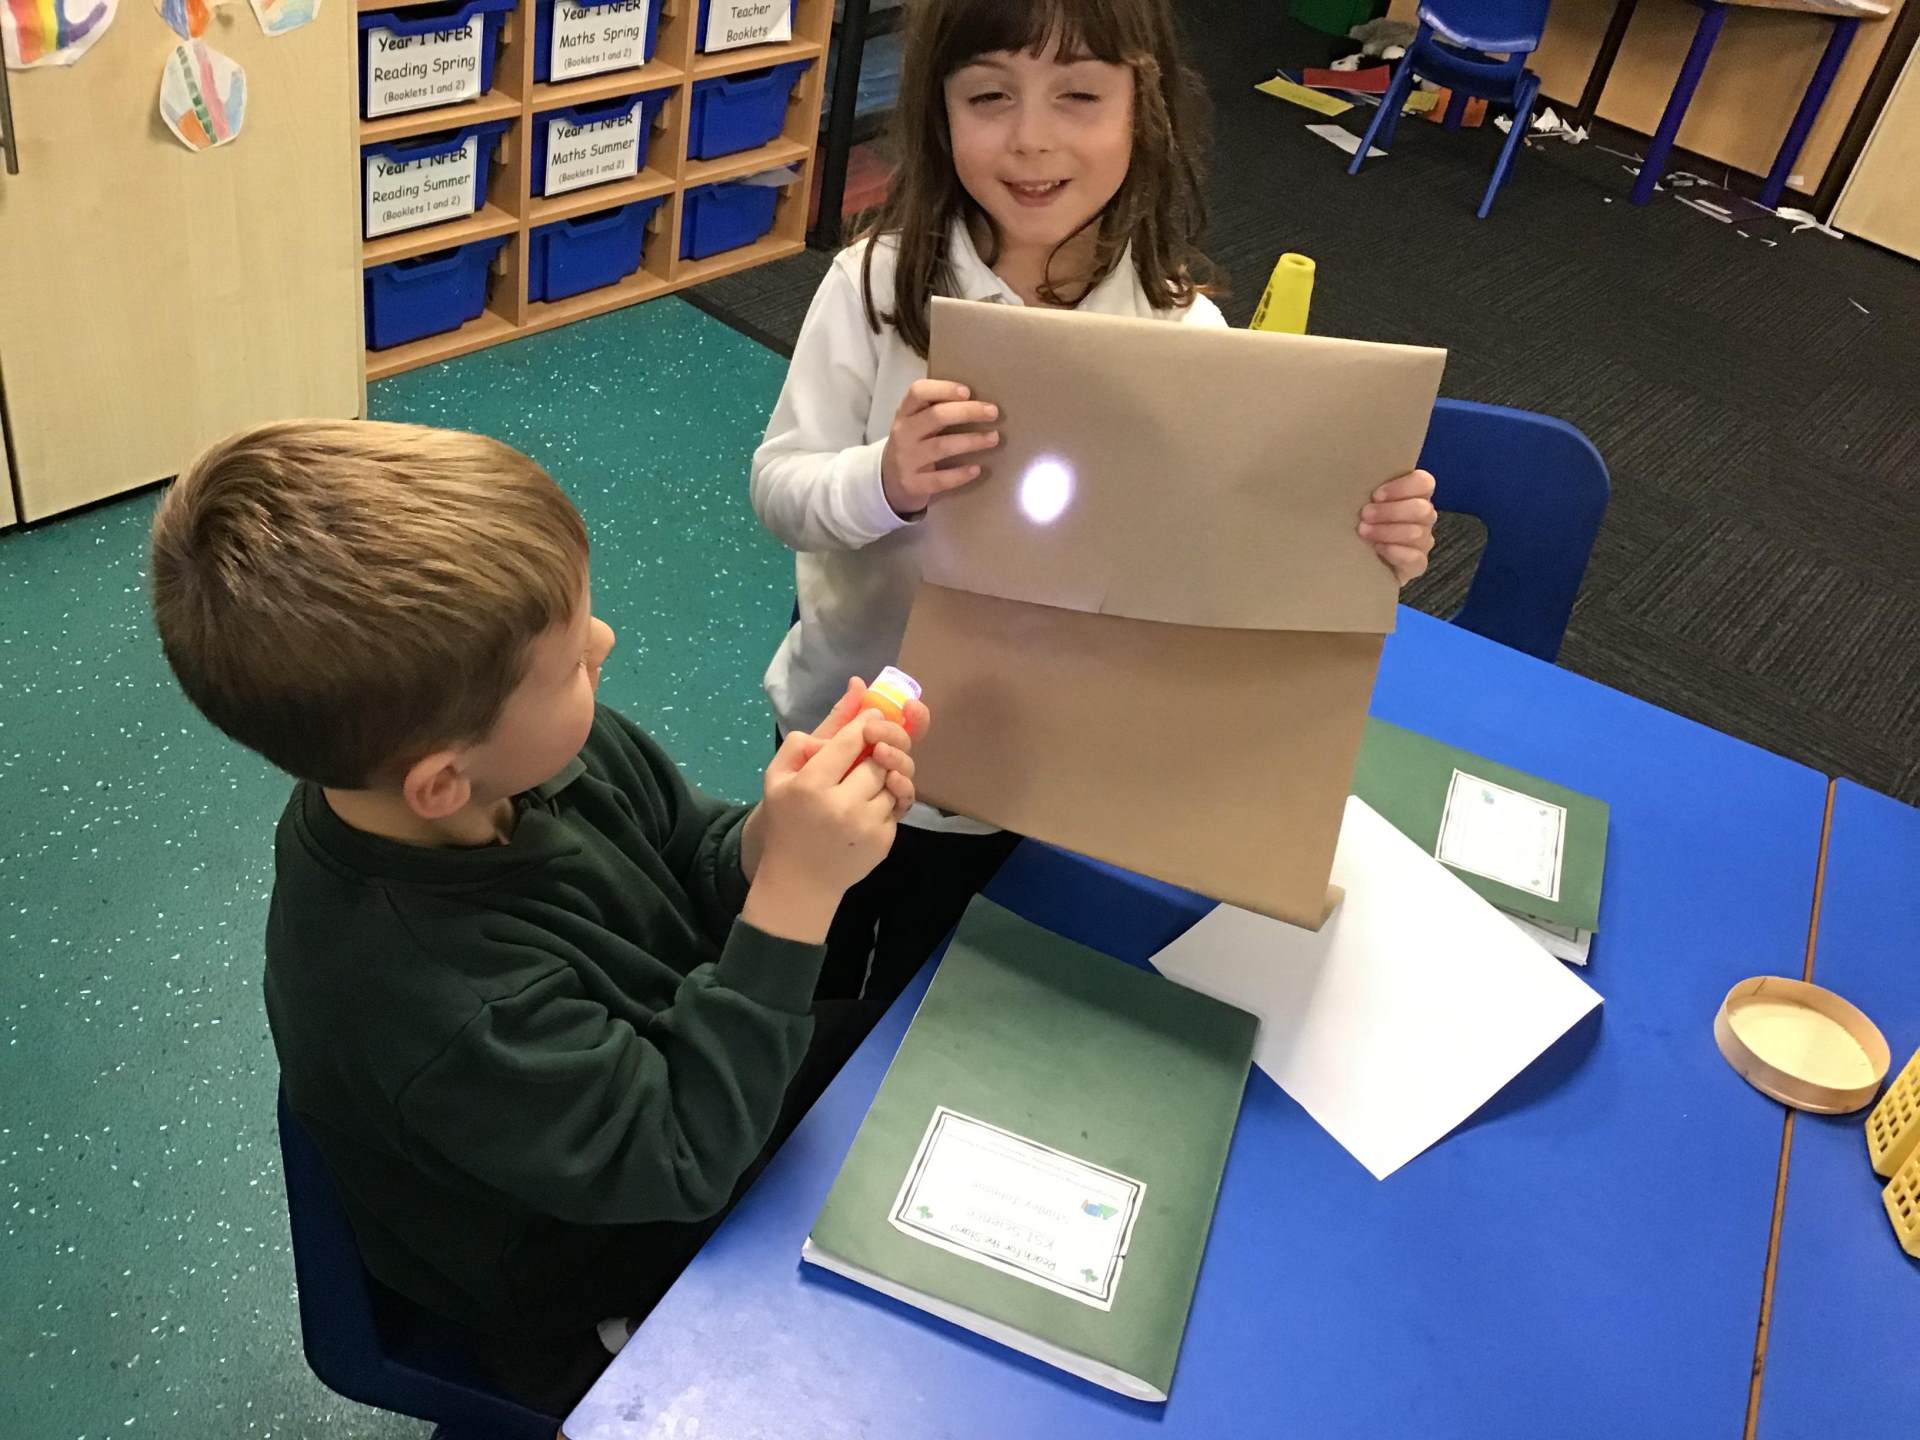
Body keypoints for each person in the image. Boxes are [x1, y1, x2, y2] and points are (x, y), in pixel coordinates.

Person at [149, 419, 926, 1408]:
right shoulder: (428, 998)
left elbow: (690, 850)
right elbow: (681, 1156)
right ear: (442, 782)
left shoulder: (531, 756)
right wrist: (800, 893)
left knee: (934, 1058)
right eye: (567, 664)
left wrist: (775, 837)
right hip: (591, 1263)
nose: (605, 643)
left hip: (687, 1079)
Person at [751, 0, 1441, 992]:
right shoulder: (877, 284)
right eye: (990, 96)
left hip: (1025, 776)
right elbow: (780, 488)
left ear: (1141, 109)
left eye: (1078, 95)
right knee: (798, 974)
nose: (1032, 138)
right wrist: (885, 481)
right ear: (939, 110)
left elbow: (1214, 574)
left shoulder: (1183, 336)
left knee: (932, 994)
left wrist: (1359, 544)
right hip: (844, 732)